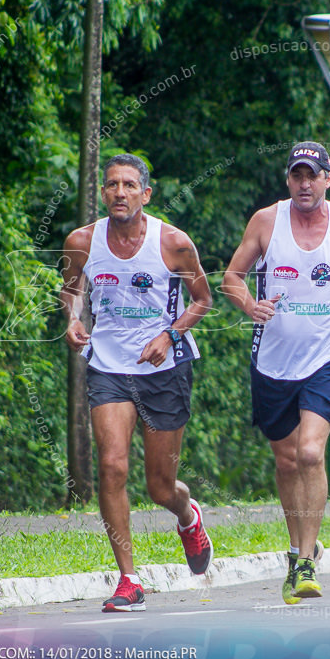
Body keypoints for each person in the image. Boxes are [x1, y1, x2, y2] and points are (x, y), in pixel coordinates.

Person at [221, 141, 330, 604]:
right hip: (272, 359)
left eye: (312, 175)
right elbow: (230, 277)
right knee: (287, 460)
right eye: (297, 175)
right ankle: (299, 549)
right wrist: (248, 304)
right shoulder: (265, 221)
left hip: (327, 353)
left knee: (311, 452)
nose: (304, 183)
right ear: (288, 179)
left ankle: (307, 563)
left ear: (327, 180)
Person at [60, 153, 214, 612]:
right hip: (109, 366)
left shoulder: (174, 243)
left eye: (129, 185)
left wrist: (169, 335)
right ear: (102, 192)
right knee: (112, 467)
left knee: (160, 487)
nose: (119, 193)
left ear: (146, 194)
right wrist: (72, 318)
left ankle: (188, 516)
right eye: (112, 185)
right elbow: (72, 289)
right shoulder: (82, 241)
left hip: (164, 371)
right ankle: (129, 579)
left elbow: (203, 299)